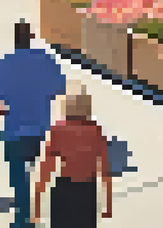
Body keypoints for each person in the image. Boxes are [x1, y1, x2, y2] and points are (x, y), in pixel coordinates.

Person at [0, 20, 68, 228]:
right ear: (30, 38)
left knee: (18, 177)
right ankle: (32, 215)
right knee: (35, 173)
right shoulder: (46, 61)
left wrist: (4, 111)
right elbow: (60, 90)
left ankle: (23, 220)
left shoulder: (3, 63)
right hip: (39, 127)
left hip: (14, 129)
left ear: (15, 40)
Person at [33, 82, 112, 228]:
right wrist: (108, 203)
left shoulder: (58, 130)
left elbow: (46, 169)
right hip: (88, 190)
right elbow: (105, 169)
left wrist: (37, 204)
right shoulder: (95, 131)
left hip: (64, 189)